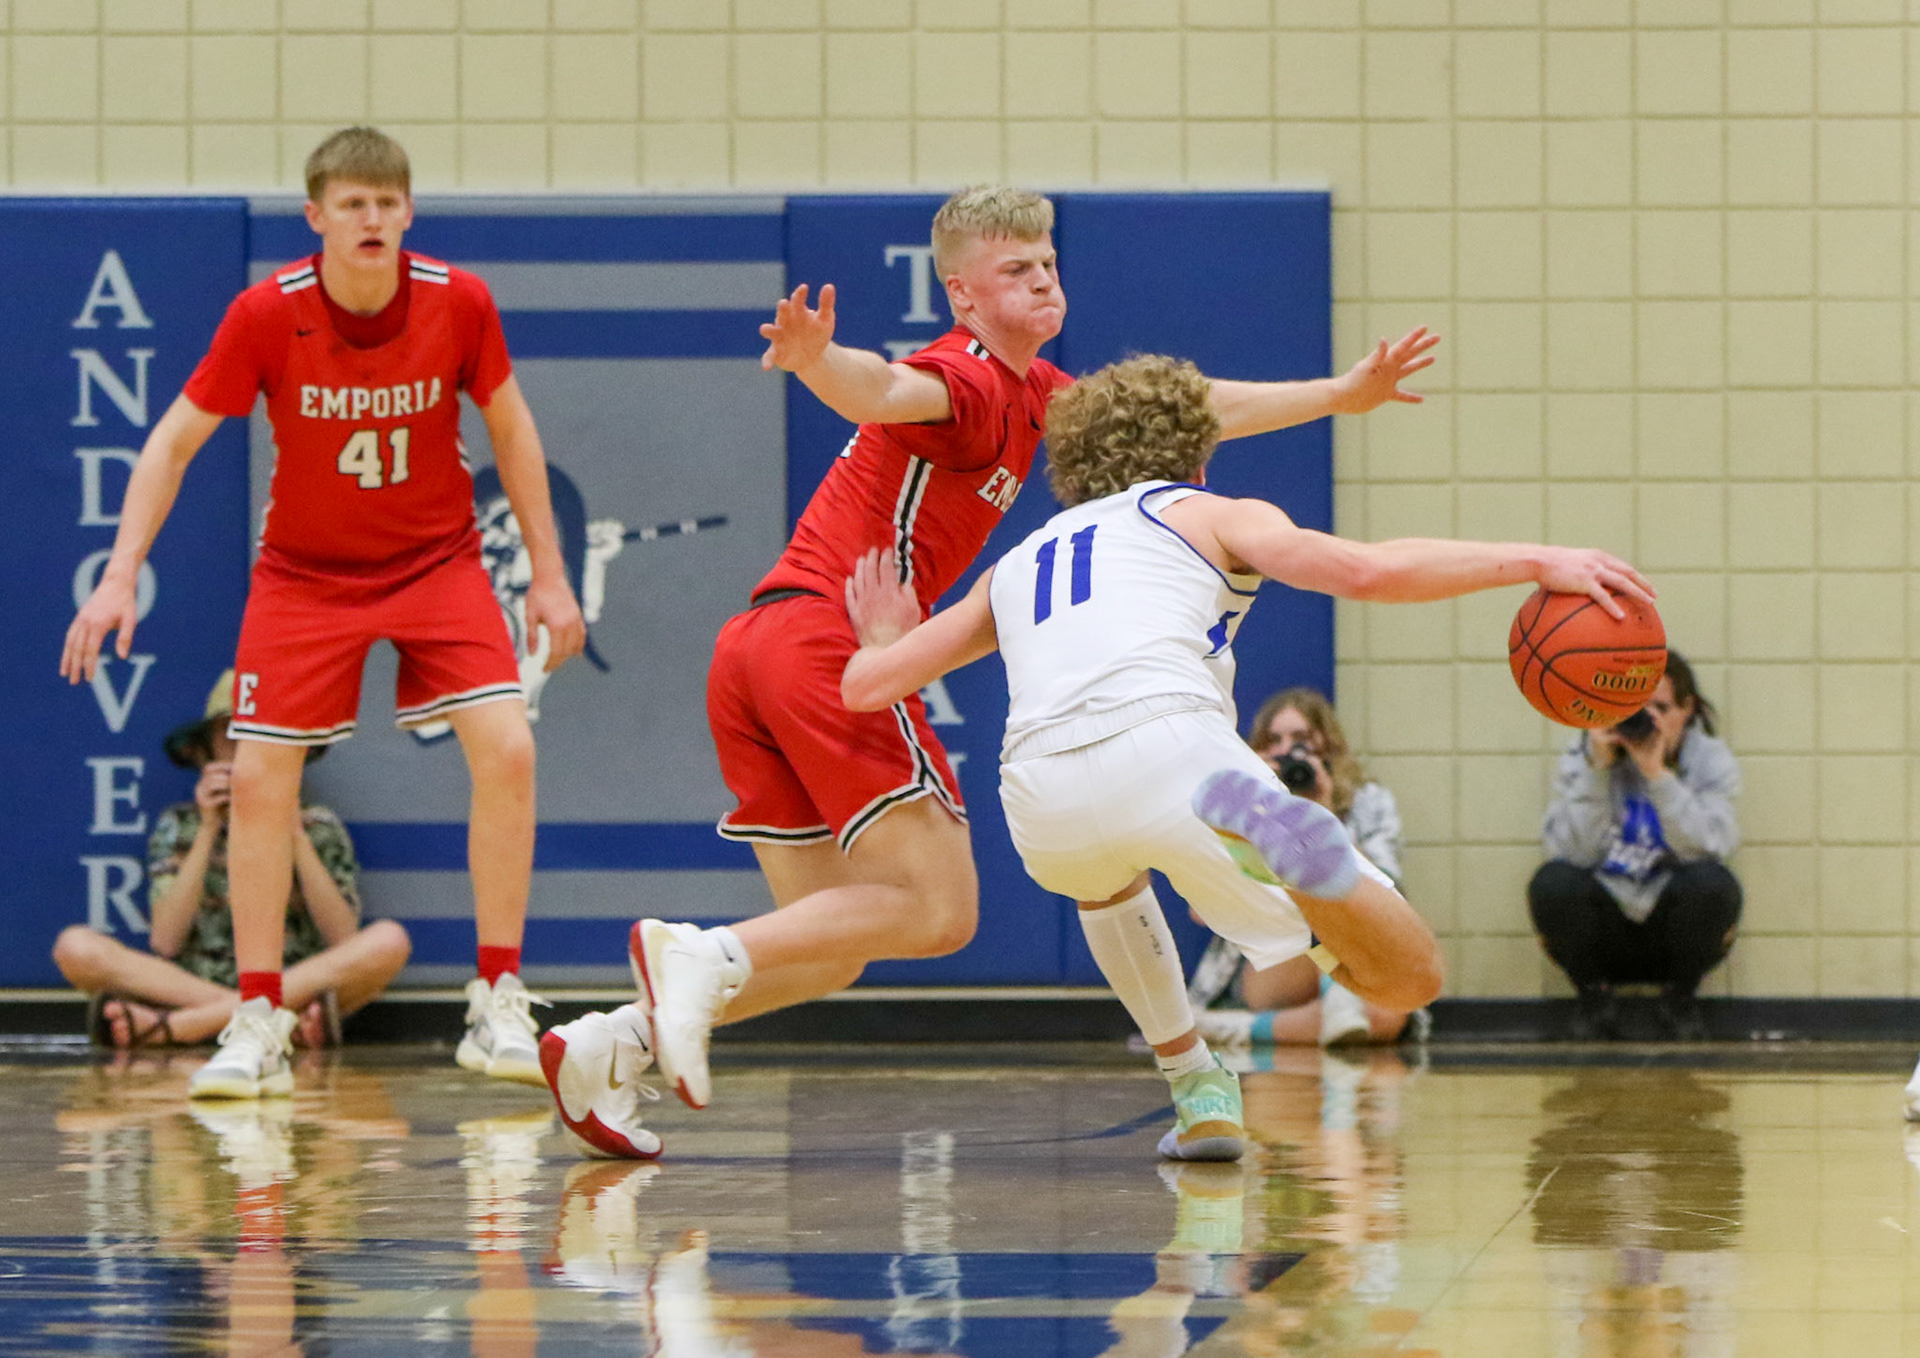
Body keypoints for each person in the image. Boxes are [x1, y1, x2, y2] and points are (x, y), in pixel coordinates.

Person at [536, 185, 1444, 1149]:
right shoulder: (966, 379)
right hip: (828, 644)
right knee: (940, 908)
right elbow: (886, 388)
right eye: (1017, 270)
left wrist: (1341, 395)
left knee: (839, 939)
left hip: (754, 648)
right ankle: (694, 952)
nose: (1044, 280)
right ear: (963, 296)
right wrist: (815, 362)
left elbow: (1194, 408)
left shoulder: (1043, 395)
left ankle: (612, 1044)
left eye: (1050, 263)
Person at [829, 354, 1649, 1160]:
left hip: (1037, 790)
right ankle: (1294, 850)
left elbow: (869, 687)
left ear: (1072, 464)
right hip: (1173, 748)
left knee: (1101, 881)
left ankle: (1195, 1086)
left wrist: (882, 636)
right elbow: (1365, 571)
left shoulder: (1017, 563)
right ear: (1198, 449)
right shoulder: (1209, 512)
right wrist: (1539, 562)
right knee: (1405, 981)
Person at [60, 126, 585, 1100]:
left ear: (409, 212)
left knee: (508, 747)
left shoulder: (459, 300)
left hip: (435, 560)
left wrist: (548, 574)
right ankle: (256, 1015)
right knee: (259, 777)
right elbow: (172, 442)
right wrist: (120, 572)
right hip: (306, 574)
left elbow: (513, 432)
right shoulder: (268, 314)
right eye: (352, 203)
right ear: (317, 218)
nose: (373, 218)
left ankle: (499, 995)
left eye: (388, 202)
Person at [53, 670, 412, 1050]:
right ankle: (269, 1022)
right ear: (206, 748)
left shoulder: (317, 824)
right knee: (75, 948)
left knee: (388, 941)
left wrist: (293, 832)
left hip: (291, 979)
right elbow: (166, 941)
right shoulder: (181, 824)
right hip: (197, 984)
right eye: (231, 735)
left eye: (257, 735)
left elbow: (342, 936)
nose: (245, 749)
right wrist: (208, 829)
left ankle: (181, 1028)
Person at [1189, 687, 1419, 1049]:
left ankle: (1243, 1029)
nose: (1286, 751)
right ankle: (1327, 1015)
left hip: (1355, 954)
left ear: (1327, 745)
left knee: (1384, 1016)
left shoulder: (1368, 802)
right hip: (1275, 961)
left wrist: (1323, 816)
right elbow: (1203, 910)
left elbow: (1390, 889)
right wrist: (1258, 814)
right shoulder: (1244, 805)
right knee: (1336, 932)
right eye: (1274, 741)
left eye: (1300, 740)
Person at [1528, 652, 1740, 1041]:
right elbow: (1571, 854)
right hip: (1607, 927)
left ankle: (1679, 999)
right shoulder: (1586, 754)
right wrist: (1597, 773)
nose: (1647, 721)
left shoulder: (1709, 759)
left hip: (1672, 927)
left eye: (1660, 707)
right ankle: (1595, 999)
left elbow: (1711, 847)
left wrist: (1657, 775)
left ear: (1686, 709)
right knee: (1552, 883)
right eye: (1634, 709)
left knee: (1714, 885)